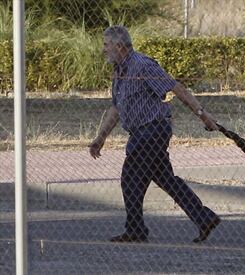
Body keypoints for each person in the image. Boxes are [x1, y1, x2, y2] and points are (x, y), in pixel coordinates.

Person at [88, 25, 220, 243]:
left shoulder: (142, 66)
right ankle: (204, 218)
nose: (104, 49)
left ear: (119, 46)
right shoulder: (120, 72)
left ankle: (136, 230)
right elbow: (116, 108)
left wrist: (202, 114)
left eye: (106, 45)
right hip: (142, 133)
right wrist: (101, 138)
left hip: (152, 131)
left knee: (130, 179)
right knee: (166, 180)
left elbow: (176, 88)